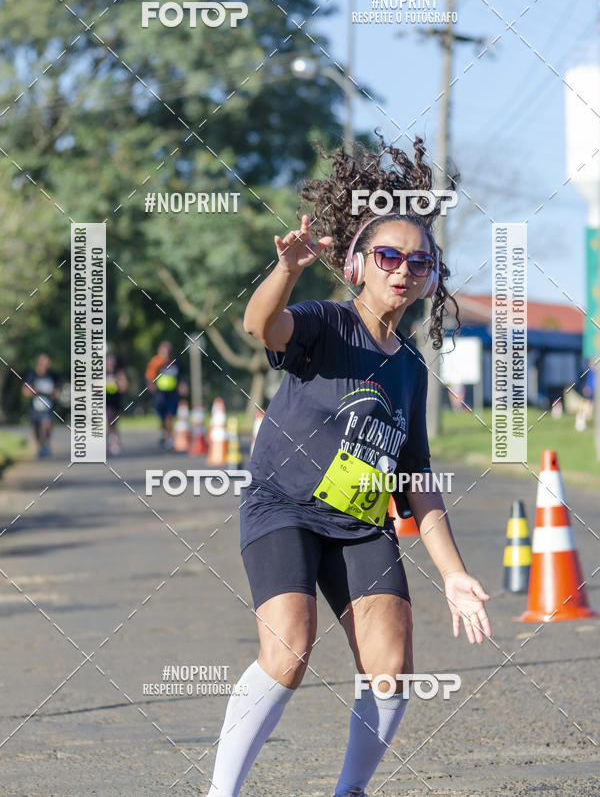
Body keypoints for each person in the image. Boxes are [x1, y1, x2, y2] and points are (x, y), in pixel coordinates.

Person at [204, 137, 492, 797]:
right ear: (359, 263)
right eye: (389, 255)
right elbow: (260, 327)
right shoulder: (325, 323)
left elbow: (417, 479)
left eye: (420, 261)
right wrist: (287, 271)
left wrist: (454, 575)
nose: (404, 269)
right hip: (285, 510)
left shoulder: (411, 369)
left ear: (430, 277)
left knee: (391, 667)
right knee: (288, 650)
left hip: (360, 525)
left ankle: (349, 791)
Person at [145, 341, 184, 449]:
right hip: (160, 393)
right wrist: (150, 385)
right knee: (162, 416)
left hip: (172, 393)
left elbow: (181, 376)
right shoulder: (156, 362)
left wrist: (182, 386)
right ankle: (163, 432)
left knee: (170, 416)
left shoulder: (175, 362)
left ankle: (169, 438)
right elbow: (149, 376)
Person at [22, 353, 59, 458]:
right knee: (36, 429)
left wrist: (53, 393)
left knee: (47, 424)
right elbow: (25, 391)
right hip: (34, 407)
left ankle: (46, 444)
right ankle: (41, 447)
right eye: (44, 362)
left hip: (48, 406)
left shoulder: (52, 375)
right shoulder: (31, 374)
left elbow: (56, 391)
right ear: (39, 363)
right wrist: (33, 392)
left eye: (48, 363)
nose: (46, 365)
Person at [106, 354, 129, 456]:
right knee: (109, 422)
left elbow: (124, 387)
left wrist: (117, 383)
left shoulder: (119, 373)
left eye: (112, 361)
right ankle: (111, 444)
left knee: (113, 423)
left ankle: (116, 443)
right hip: (105, 402)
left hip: (116, 401)